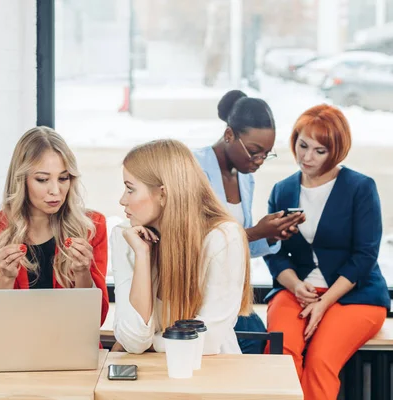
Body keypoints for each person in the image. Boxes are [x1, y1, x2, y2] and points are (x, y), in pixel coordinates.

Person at [264, 104, 389, 400]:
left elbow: (365, 256)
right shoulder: (282, 190)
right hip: (299, 289)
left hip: (355, 294)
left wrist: (325, 302)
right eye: (302, 145)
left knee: (321, 360)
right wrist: (294, 285)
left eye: (319, 151)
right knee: (280, 356)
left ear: (336, 151)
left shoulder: (360, 187)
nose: (306, 157)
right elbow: (274, 252)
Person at [111, 139, 252, 355]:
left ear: (163, 194)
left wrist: (153, 344)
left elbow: (209, 340)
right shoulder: (126, 236)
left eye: (130, 190)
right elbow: (134, 341)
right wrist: (142, 255)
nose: (122, 200)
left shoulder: (223, 237)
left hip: (212, 370)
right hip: (151, 373)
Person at [194, 89, 305, 354]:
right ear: (229, 134)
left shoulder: (245, 178)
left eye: (267, 154)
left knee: (259, 341)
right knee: (252, 343)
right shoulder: (193, 167)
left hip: (230, 291)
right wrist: (255, 232)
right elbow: (192, 243)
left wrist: (271, 235)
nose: (260, 161)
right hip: (198, 293)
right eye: (254, 151)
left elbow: (240, 243)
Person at [0, 126, 109, 325]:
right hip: (14, 351)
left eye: (63, 178)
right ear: (21, 180)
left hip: (73, 350)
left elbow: (96, 320)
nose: (55, 190)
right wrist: (6, 279)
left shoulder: (91, 227)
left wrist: (82, 272)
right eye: (42, 179)